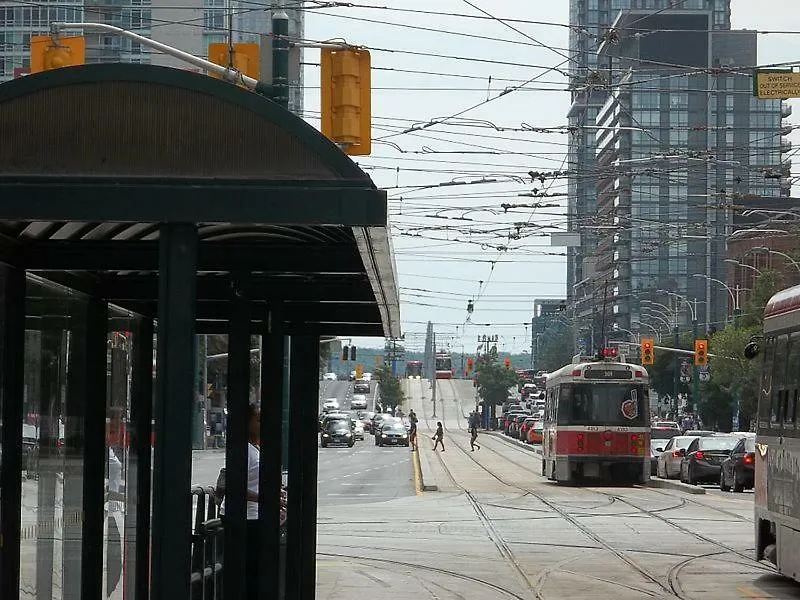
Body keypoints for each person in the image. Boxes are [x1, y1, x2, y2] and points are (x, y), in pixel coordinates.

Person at [219, 403, 262, 599]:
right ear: (248, 424)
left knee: (253, 570)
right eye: (258, 420)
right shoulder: (244, 450)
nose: (262, 424)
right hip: (245, 518)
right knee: (250, 571)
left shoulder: (255, 448)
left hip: (252, 516)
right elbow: (235, 487)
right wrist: (265, 499)